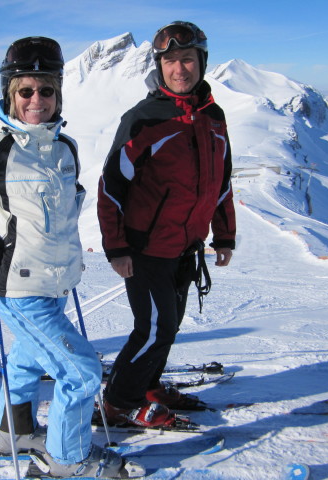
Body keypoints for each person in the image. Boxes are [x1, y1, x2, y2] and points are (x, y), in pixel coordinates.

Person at [0, 37, 141, 478]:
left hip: (56, 283)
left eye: (46, 90)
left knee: (29, 358)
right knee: (81, 372)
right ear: (9, 95)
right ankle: (67, 461)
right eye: (25, 90)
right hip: (19, 287)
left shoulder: (64, 147)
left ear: (58, 93)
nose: (37, 100)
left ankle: (13, 432)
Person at [97, 21, 236, 428]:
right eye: (171, 60)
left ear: (201, 62)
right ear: (159, 66)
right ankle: (118, 404)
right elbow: (111, 187)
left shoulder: (214, 117)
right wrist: (118, 248)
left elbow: (222, 182)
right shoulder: (143, 120)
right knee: (154, 328)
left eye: (188, 59)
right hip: (145, 248)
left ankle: (150, 387)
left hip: (186, 245)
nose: (180, 68)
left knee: (169, 325)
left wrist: (224, 234)